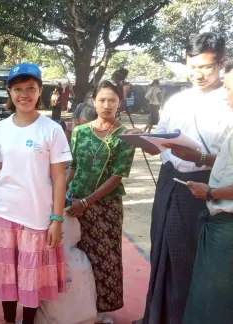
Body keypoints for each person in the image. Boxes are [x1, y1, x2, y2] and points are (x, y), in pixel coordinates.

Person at [136, 32, 232, 324]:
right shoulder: (177, 99)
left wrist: (200, 159)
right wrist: (144, 142)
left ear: (222, 63)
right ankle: (156, 316)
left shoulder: (229, 100)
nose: (198, 74)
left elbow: (229, 160)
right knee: (162, 246)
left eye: (205, 67)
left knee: (189, 257)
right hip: (169, 180)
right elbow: (161, 142)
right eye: (192, 67)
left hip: (205, 186)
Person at [0, 63, 70, 324]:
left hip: (37, 217)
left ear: (40, 91)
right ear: (10, 92)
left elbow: (59, 176)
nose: (24, 94)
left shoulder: (52, 129)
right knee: (6, 276)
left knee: (31, 277)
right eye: (18, 89)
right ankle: (8, 320)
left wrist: (57, 219)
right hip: (2, 213)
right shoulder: (0, 129)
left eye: (30, 88)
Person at [66, 79, 135, 323]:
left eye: (113, 100)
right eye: (102, 100)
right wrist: (60, 193)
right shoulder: (79, 131)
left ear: (119, 103)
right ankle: (77, 305)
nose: (107, 105)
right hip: (73, 204)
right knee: (76, 256)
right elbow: (72, 166)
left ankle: (99, 311)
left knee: (104, 258)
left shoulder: (125, 136)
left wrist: (86, 202)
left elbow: (117, 176)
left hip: (105, 208)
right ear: (93, 102)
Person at [180, 59, 233, 323]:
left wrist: (211, 193)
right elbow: (225, 160)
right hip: (219, 225)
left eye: (229, 88)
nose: (225, 96)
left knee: (215, 302)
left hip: (229, 226)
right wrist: (197, 157)